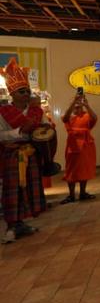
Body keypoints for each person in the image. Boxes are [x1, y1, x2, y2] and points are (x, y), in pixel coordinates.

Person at [0, 59, 47, 244]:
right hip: (12, 156)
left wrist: (45, 131)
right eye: (22, 91)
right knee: (13, 191)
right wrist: (20, 132)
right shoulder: (3, 112)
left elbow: (45, 128)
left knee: (29, 189)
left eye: (28, 91)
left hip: (31, 154)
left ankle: (22, 223)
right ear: (12, 93)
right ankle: (11, 226)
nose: (26, 94)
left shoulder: (36, 111)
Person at [60, 91, 98, 204]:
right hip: (73, 146)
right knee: (71, 169)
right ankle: (71, 195)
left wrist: (87, 105)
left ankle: (82, 193)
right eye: (76, 107)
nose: (78, 108)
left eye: (79, 106)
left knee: (84, 169)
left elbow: (95, 118)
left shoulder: (86, 115)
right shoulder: (69, 117)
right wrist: (74, 102)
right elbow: (65, 118)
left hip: (86, 146)